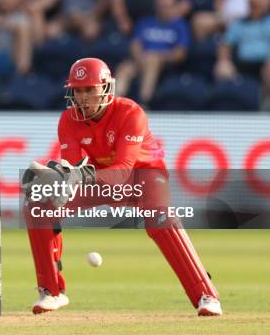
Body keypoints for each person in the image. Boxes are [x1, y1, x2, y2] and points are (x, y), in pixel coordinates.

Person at [23, 57, 222, 316]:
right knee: (38, 204)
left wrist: (77, 177)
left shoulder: (130, 113)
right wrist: (60, 181)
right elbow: (73, 167)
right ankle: (51, 292)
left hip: (144, 176)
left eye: (89, 90)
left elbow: (123, 170)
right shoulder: (69, 120)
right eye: (78, 90)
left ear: (105, 88)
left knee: (160, 218)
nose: (82, 97)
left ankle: (206, 296)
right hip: (99, 178)